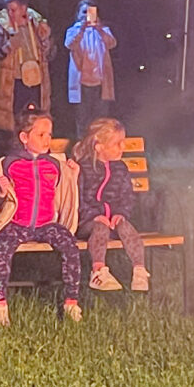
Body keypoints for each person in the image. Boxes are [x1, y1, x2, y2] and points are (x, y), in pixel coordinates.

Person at [0, 111, 83, 324]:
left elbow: (66, 190)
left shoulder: (54, 164)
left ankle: (71, 302)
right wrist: (1, 191)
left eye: (49, 134)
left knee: (69, 244)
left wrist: (73, 175)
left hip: (46, 224)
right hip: (17, 223)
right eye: (41, 135)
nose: (47, 139)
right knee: (2, 248)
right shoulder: (9, 163)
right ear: (24, 137)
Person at [76, 115, 151, 293]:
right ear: (99, 146)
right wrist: (95, 215)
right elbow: (78, 198)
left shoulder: (121, 169)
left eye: (123, 142)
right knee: (100, 228)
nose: (122, 147)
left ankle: (139, 270)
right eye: (117, 143)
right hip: (88, 222)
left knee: (125, 227)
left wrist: (120, 213)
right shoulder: (83, 168)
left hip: (113, 220)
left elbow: (127, 196)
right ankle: (98, 272)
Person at [0, 0, 52, 131]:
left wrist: (47, 45)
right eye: (8, 10)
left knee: (36, 117)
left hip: (36, 81)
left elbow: (50, 53)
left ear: (24, 8)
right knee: (17, 118)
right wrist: (8, 46)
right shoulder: (2, 29)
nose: (10, 14)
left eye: (13, 10)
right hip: (15, 82)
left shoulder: (37, 27)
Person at [65, 0, 118, 124]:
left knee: (100, 121)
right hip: (82, 83)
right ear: (78, 14)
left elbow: (112, 43)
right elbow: (69, 44)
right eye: (84, 12)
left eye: (90, 12)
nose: (86, 15)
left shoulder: (103, 30)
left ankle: (99, 143)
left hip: (100, 83)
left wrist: (99, 28)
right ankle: (82, 142)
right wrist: (82, 29)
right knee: (83, 120)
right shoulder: (73, 30)